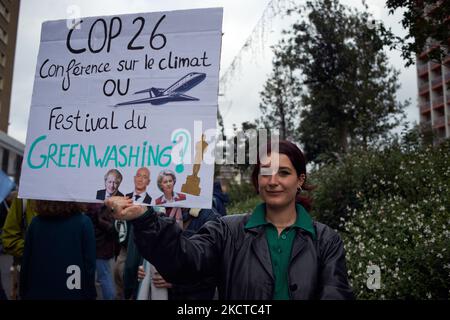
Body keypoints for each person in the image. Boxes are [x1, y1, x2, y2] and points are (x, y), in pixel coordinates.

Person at [107, 140, 354, 300]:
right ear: (257, 180)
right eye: (265, 172)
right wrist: (145, 218)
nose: (273, 180)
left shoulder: (326, 241)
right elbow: (186, 258)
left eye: (284, 173)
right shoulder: (227, 230)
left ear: (300, 180)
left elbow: (337, 293)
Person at [123, 207, 220, 300]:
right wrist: (142, 268)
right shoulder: (153, 210)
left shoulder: (210, 217)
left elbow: (212, 272)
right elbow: (139, 253)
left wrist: (175, 282)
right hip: (152, 292)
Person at [19, 200, 96, 300]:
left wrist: (23, 291)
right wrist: (90, 293)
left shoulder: (35, 223)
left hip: (38, 290)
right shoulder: (84, 223)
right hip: (73, 289)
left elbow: (26, 262)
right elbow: (89, 266)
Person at [1, 194, 37, 299]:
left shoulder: (72, 198)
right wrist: (36, 250)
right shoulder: (23, 197)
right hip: (30, 275)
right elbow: (9, 239)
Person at [86, 203, 118, 300]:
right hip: (102, 247)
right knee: (104, 276)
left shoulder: (96, 207)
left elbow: (109, 227)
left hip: (100, 248)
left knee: (104, 277)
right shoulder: (100, 207)